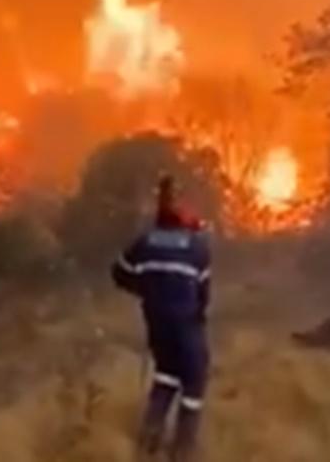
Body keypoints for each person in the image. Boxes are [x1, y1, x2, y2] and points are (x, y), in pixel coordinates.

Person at [112, 174, 211, 461]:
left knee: (167, 374)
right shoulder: (197, 247)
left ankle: (148, 443)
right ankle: (183, 451)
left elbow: (118, 273)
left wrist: (147, 289)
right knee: (194, 378)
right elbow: (203, 296)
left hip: (157, 323)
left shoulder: (144, 242)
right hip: (185, 323)